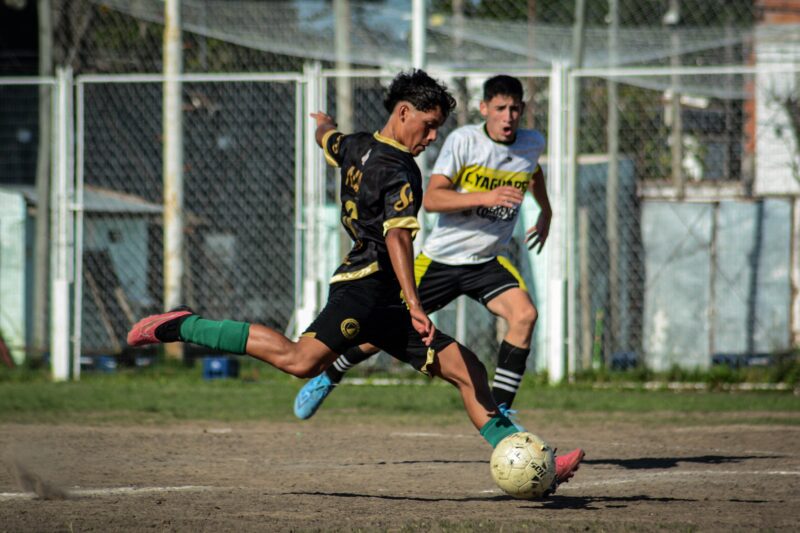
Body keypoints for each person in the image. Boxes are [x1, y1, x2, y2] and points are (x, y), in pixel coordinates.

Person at [127, 69, 583, 491]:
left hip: (382, 297)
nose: (430, 137)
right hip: (365, 291)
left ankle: (533, 461)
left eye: (436, 128)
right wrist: (416, 303)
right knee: (299, 360)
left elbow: (329, 140)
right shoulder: (402, 171)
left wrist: (322, 122)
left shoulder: (357, 144)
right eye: (426, 125)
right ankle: (183, 325)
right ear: (403, 112)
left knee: (469, 370)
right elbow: (399, 241)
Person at [295, 74, 551, 422]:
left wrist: (546, 210)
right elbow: (431, 199)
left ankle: (500, 411)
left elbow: (531, 172)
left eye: (515, 109)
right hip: (442, 258)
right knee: (378, 330)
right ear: (484, 108)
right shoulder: (464, 141)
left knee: (525, 315)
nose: (508, 117)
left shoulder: (532, 143)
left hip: (487, 260)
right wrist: (488, 196)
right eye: (501, 108)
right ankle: (331, 373)